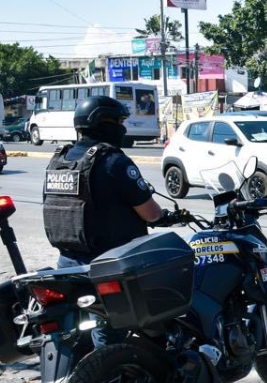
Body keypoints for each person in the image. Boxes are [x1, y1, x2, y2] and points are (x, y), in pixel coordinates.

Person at [42, 95, 180, 347]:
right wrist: (168, 217)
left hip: (68, 264)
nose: (122, 128)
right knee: (132, 326)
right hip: (112, 263)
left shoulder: (60, 161)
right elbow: (151, 213)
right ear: (103, 124)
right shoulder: (113, 161)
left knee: (83, 330)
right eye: (118, 122)